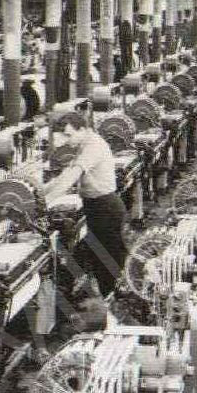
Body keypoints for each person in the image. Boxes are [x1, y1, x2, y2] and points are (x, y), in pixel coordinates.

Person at [46, 107, 128, 296]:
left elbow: (72, 176)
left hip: (105, 208)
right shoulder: (84, 145)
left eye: (69, 135)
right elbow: (65, 174)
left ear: (82, 129)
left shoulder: (93, 146)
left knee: (108, 260)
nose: (67, 140)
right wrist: (40, 192)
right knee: (99, 257)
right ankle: (106, 296)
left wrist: (45, 202)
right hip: (96, 207)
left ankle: (111, 300)